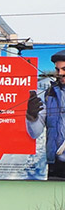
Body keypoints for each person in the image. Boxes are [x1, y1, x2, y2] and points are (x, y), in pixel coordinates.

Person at [31, 50, 65, 179]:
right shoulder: (50, 93)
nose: (60, 73)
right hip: (55, 163)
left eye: (64, 69)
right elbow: (36, 131)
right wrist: (32, 116)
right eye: (57, 70)